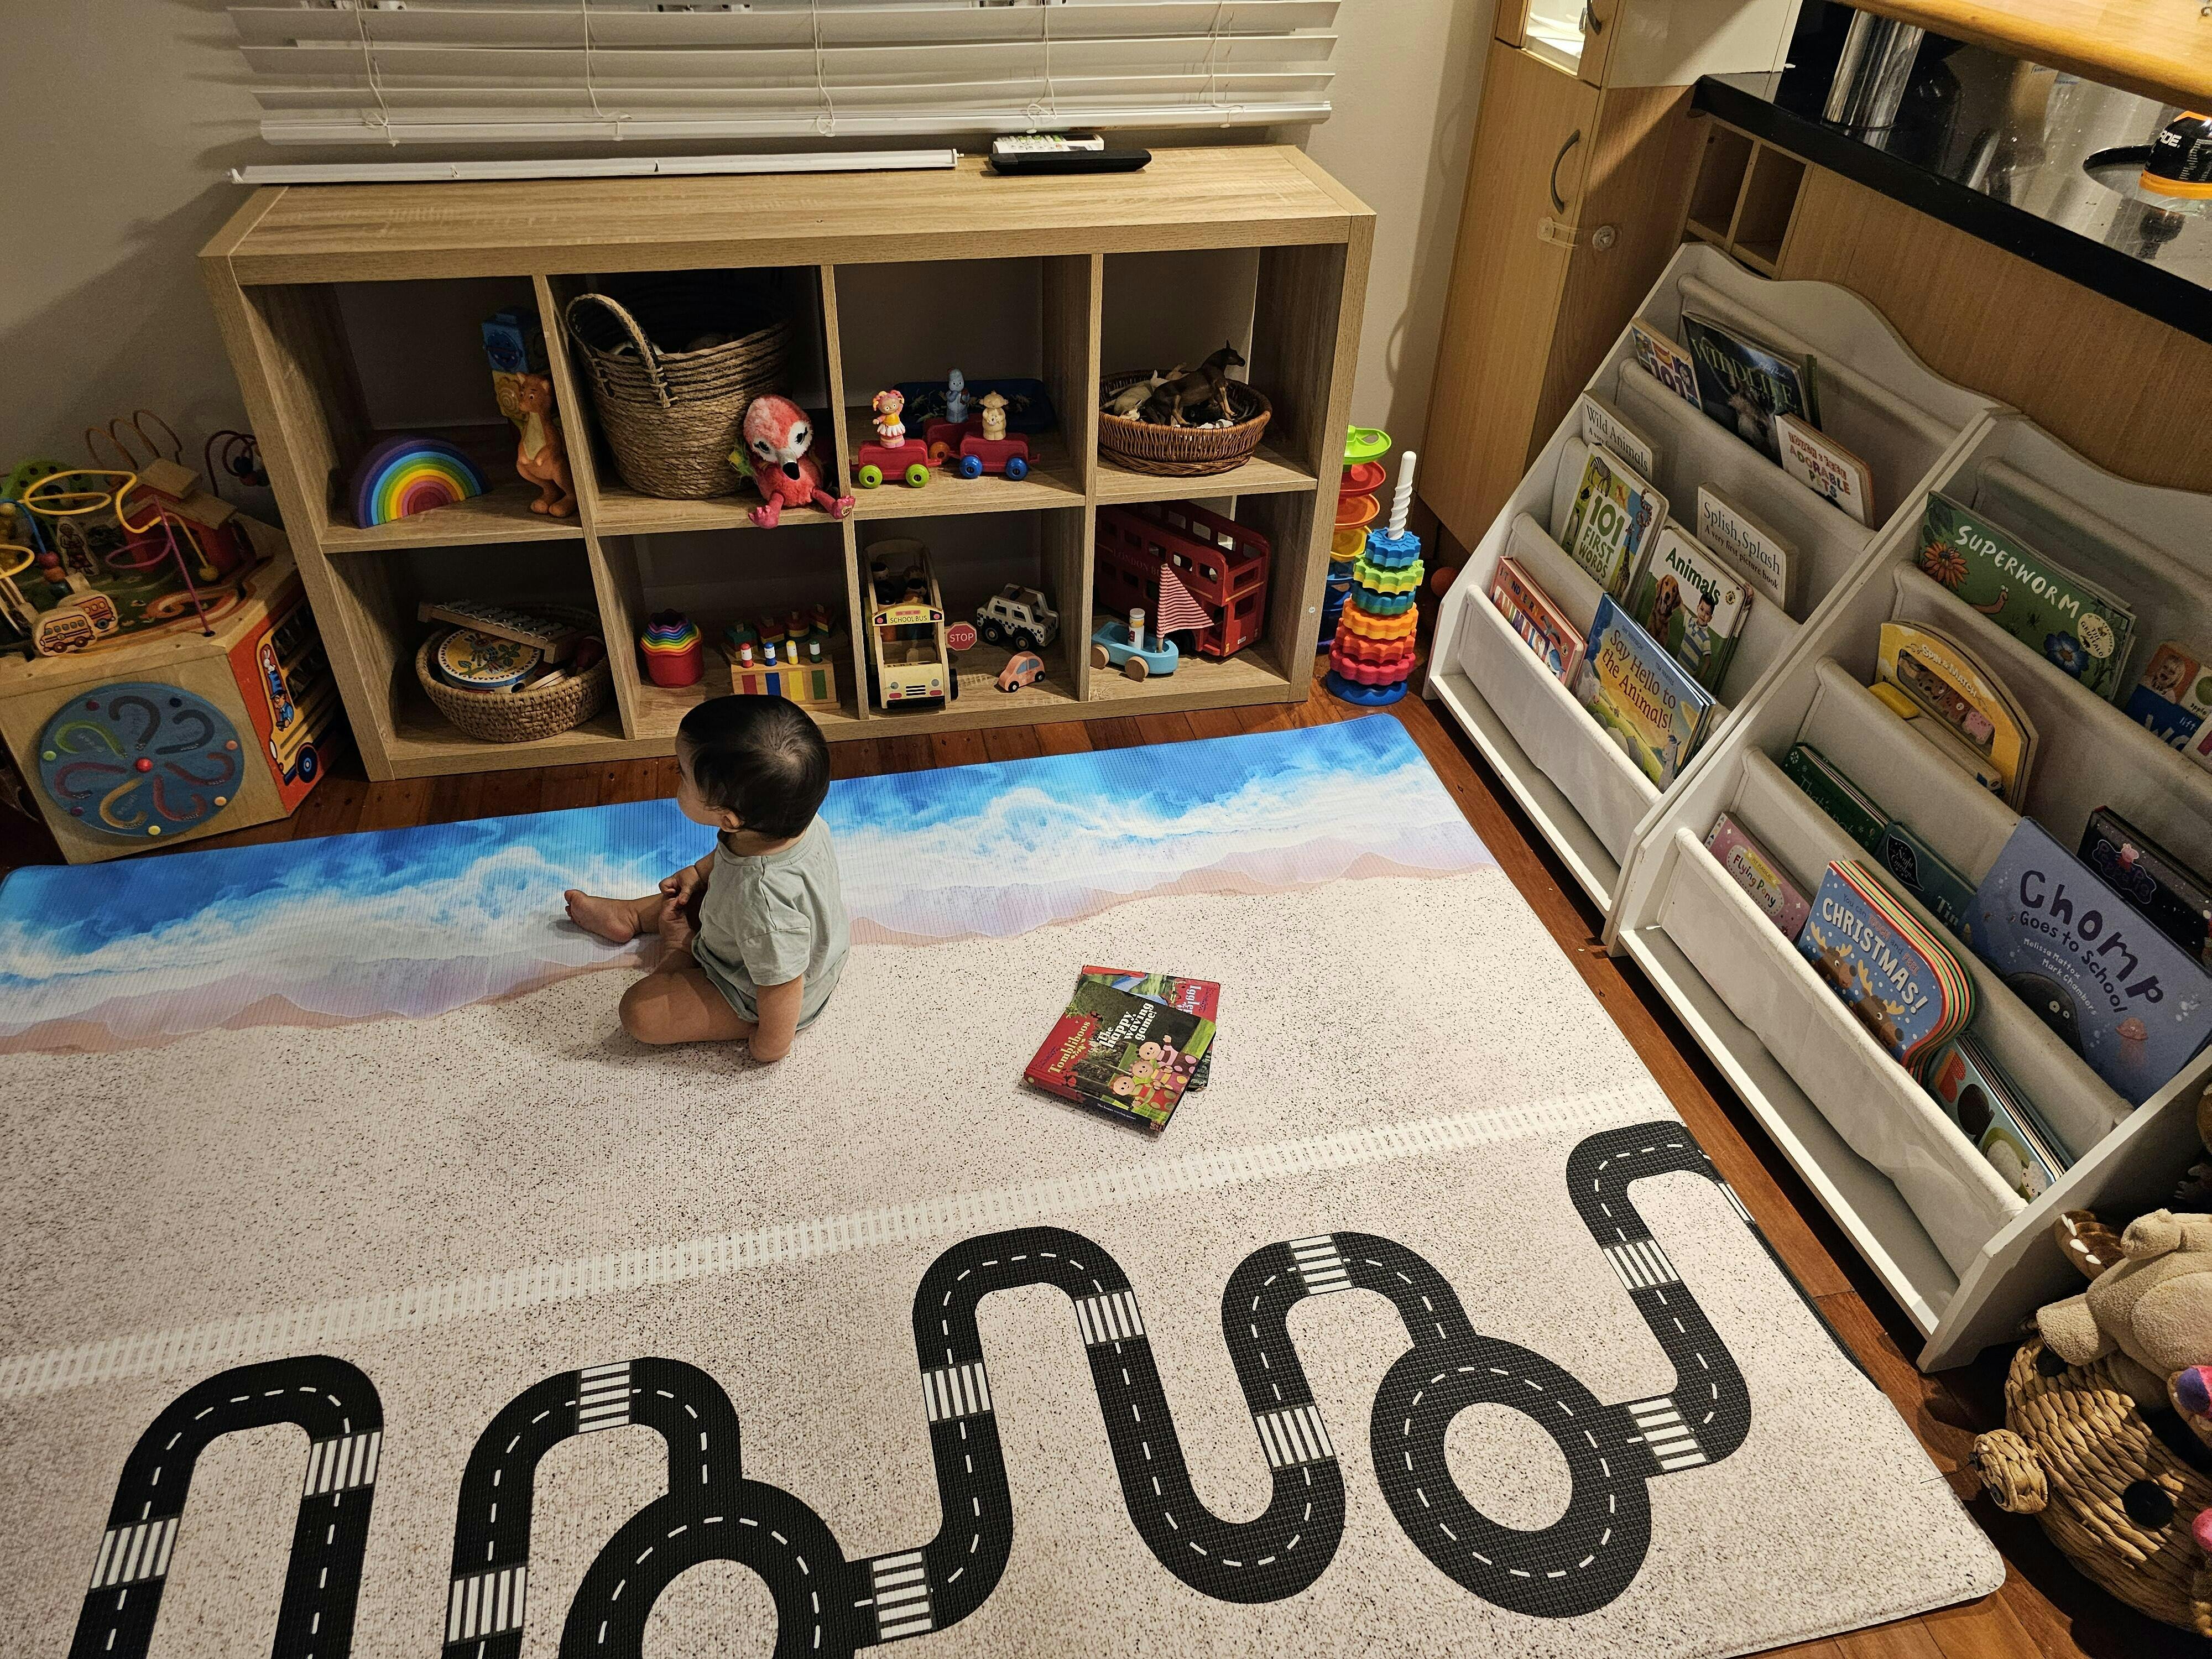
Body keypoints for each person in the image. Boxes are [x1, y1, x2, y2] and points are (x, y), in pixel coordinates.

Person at [564, 696, 848, 1058]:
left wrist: (771, 1044)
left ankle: (678, 949)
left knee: (640, 1011)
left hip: (761, 993)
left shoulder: (764, 904)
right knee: (690, 894)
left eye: (681, 774)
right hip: (769, 935)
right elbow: (734, 862)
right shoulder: (788, 820)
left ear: (729, 819)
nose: (676, 778)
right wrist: (699, 873)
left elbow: (783, 984)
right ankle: (631, 915)